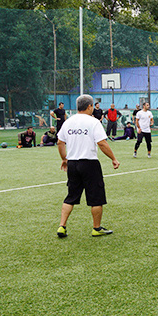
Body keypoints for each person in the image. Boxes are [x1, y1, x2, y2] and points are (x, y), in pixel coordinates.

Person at [56, 94, 120, 238]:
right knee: (96, 197)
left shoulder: (68, 122)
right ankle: (96, 228)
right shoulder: (93, 122)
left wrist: (64, 159)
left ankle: (62, 226)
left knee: (71, 196)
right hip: (89, 163)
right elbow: (102, 143)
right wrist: (113, 158)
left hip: (72, 163)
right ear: (90, 106)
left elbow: (60, 142)